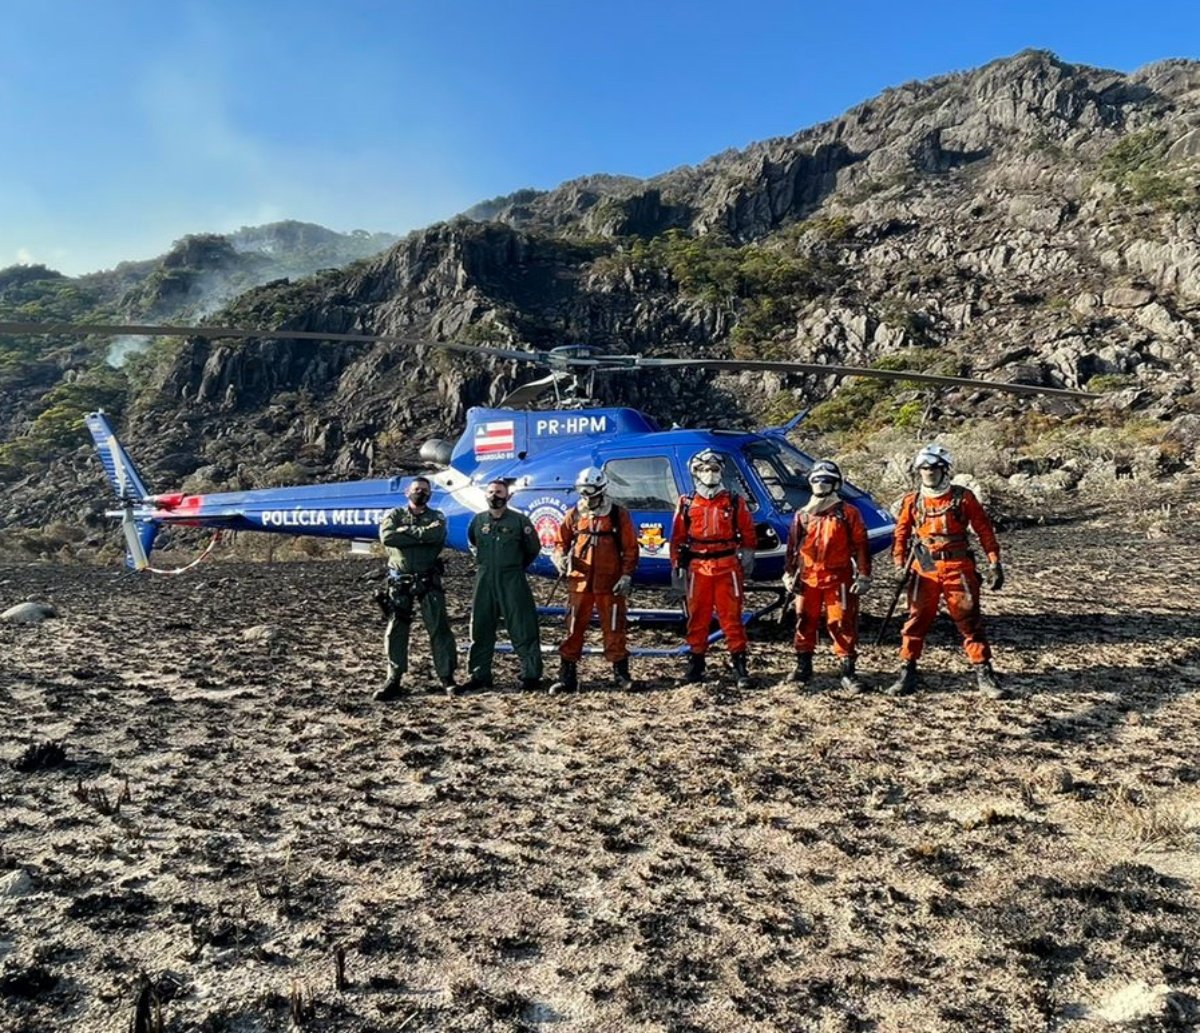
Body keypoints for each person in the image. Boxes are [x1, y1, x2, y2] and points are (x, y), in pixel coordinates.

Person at [887, 444, 1007, 699]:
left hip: (958, 566)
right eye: (923, 469)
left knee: (969, 621)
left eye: (932, 468)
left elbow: (984, 529)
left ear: (944, 469)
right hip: (924, 568)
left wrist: (994, 562)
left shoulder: (963, 498)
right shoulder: (912, 501)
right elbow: (901, 534)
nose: (928, 473)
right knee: (915, 620)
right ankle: (907, 672)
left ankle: (984, 674)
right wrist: (899, 565)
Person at [670, 449, 757, 689]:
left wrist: (748, 556)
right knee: (697, 618)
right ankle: (696, 665)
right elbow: (677, 536)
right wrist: (676, 565)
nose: (710, 474)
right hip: (698, 568)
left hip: (727, 566)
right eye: (705, 469)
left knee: (732, 619)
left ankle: (740, 668)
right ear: (695, 472)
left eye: (715, 469)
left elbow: (748, 532)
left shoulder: (733, 500)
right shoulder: (686, 502)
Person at [782, 460, 872, 692]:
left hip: (838, 578)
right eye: (816, 480)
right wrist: (789, 574)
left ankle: (847, 670)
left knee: (842, 622)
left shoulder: (848, 513)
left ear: (836, 484)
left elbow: (861, 545)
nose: (821, 484)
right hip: (808, 578)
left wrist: (863, 576)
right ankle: (803, 666)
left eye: (826, 481)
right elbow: (793, 547)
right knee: (804, 620)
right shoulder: (802, 515)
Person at [549, 466, 640, 693]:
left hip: (610, 582)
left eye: (592, 495)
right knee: (573, 626)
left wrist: (627, 575)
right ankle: (567, 676)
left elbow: (630, 548)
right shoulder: (575, 514)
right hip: (579, 582)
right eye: (584, 495)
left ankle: (621, 675)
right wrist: (559, 558)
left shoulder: (617, 514)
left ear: (602, 490)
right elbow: (560, 542)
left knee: (614, 627)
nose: (587, 500)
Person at [376, 476, 457, 700]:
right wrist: (420, 534)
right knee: (395, 630)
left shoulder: (437, 516)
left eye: (424, 490)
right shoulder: (394, 515)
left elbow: (436, 534)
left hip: (428, 580)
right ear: (407, 493)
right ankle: (394, 678)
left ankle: (447, 677)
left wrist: (406, 532)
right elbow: (388, 537)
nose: (420, 493)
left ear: (430, 495)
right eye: (416, 489)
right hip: (399, 581)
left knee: (439, 628)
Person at [463, 479, 544, 691]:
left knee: (522, 625)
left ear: (507, 496)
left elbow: (532, 548)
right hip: (485, 578)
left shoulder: (519, 521)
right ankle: (479, 675)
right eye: (490, 492)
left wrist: (514, 566)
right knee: (480, 625)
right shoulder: (478, 521)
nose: (494, 496)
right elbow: (473, 542)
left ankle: (531, 674)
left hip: (512, 578)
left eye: (499, 492)